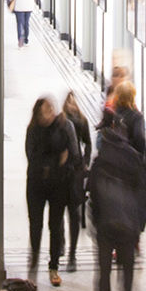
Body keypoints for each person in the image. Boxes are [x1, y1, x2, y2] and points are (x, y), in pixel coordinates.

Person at [87, 109, 146, 291]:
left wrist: (95, 220)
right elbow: (143, 194)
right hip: (128, 225)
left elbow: (92, 192)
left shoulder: (100, 160)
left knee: (103, 273)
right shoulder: (133, 157)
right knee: (127, 273)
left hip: (105, 225)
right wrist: (139, 226)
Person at [25, 99, 76, 286]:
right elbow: (32, 156)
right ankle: (33, 263)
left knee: (55, 225)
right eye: (46, 110)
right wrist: (56, 160)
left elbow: (73, 154)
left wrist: (51, 163)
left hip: (58, 185)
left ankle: (53, 266)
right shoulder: (33, 130)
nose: (50, 112)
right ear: (38, 115)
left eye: (51, 108)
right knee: (35, 225)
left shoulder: (64, 127)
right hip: (36, 185)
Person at [60, 92, 92, 275]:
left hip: (76, 172)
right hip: (63, 173)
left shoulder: (81, 121)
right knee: (60, 213)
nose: (71, 106)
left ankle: (72, 254)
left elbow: (87, 143)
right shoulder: (61, 123)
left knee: (73, 213)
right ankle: (62, 243)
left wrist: (85, 161)